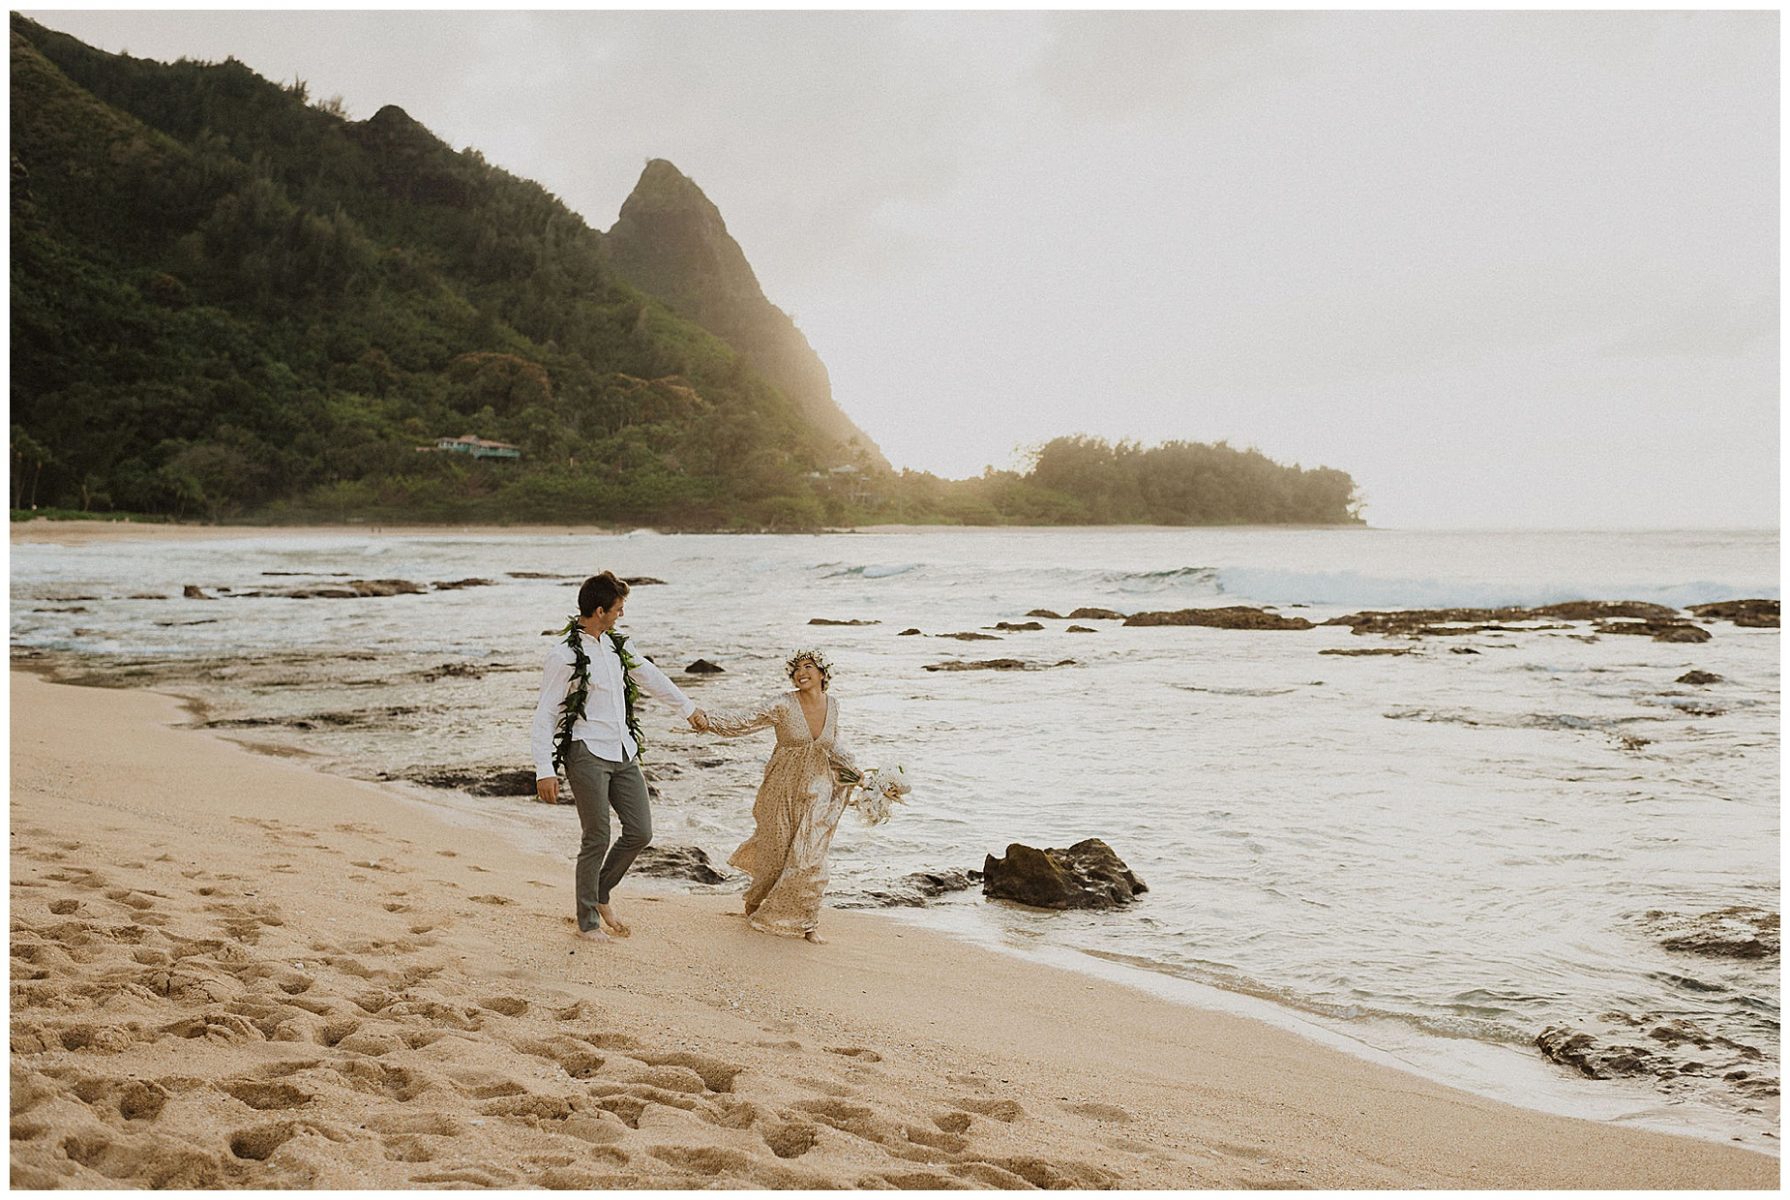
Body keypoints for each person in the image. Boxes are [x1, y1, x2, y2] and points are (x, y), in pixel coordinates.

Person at [530, 570, 700, 943]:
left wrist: (687, 709)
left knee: (640, 831)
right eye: (618, 609)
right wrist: (545, 768)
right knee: (597, 836)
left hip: (623, 750)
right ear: (599, 610)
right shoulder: (562, 656)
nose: (622, 615)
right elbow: (545, 713)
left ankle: (600, 894)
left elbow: (650, 676)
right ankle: (588, 921)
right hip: (586, 751)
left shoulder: (617, 646)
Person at [689, 649, 860, 944]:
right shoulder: (782, 705)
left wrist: (860, 775)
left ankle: (808, 922)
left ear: (822, 673)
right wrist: (709, 722)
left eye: (808, 666)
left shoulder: (833, 705)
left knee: (811, 856)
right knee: (775, 855)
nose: (800, 672)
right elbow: (745, 721)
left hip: (818, 787)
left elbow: (833, 746)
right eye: (796, 668)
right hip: (780, 790)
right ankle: (755, 904)